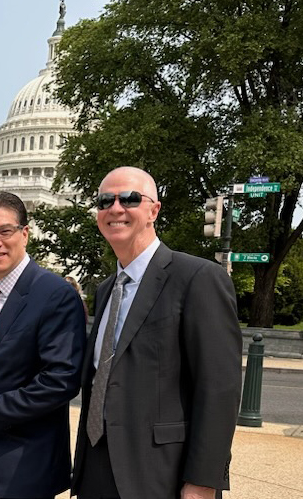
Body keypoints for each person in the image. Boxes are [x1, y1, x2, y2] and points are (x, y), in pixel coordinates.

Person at [71, 167, 241, 499]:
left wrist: (203, 480)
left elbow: (219, 388)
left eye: (130, 199)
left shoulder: (197, 278)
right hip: (97, 469)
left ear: (154, 210)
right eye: (106, 200)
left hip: (162, 475)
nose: (116, 208)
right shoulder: (106, 289)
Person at [0, 192, 86, 499]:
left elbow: (61, 380)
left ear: (25, 233)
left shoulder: (54, 294)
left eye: (4, 231)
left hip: (26, 467)